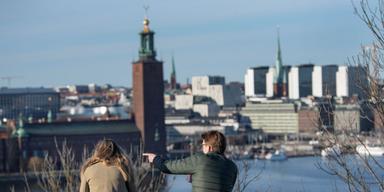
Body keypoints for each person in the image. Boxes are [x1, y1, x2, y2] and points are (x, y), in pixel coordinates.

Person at [144, 130, 238, 192]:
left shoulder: (200, 159)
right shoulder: (233, 167)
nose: (202, 148)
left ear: (209, 147)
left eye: (203, 145)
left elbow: (167, 167)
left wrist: (155, 159)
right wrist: (197, 177)